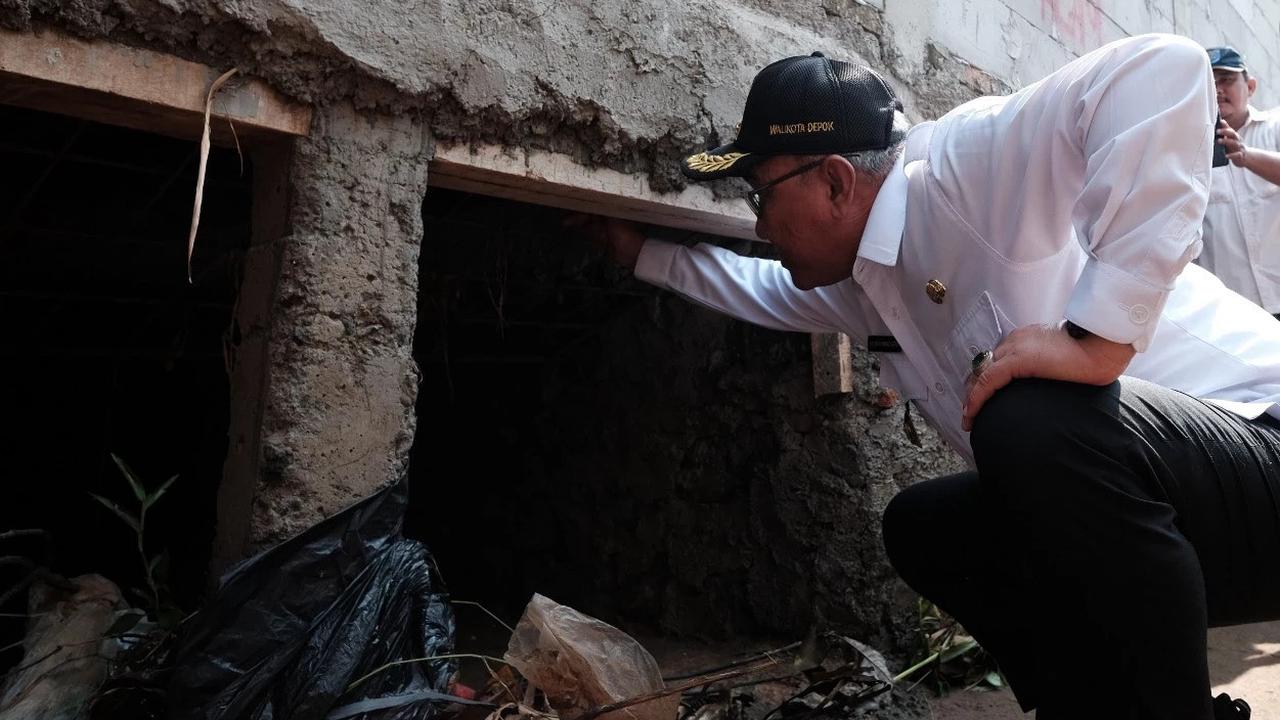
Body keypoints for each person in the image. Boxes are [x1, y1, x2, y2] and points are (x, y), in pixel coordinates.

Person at [571, 33, 1280, 719]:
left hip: (1262, 444)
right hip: (1176, 524)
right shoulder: (869, 279)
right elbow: (759, 289)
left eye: (760, 195)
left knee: (1031, 419)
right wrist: (640, 252)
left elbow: (1161, 67)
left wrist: (1101, 336)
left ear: (836, 181)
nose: (760, 227)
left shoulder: (963, 166)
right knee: (927, 525)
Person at [1199, 46, 1280, 317]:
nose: (1218, 90)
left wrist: (1247, 156)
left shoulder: (1275, 126)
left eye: (1226, 79)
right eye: (1209, 83)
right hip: (1236, 313)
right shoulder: (1189, 150)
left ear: (1251, 86)